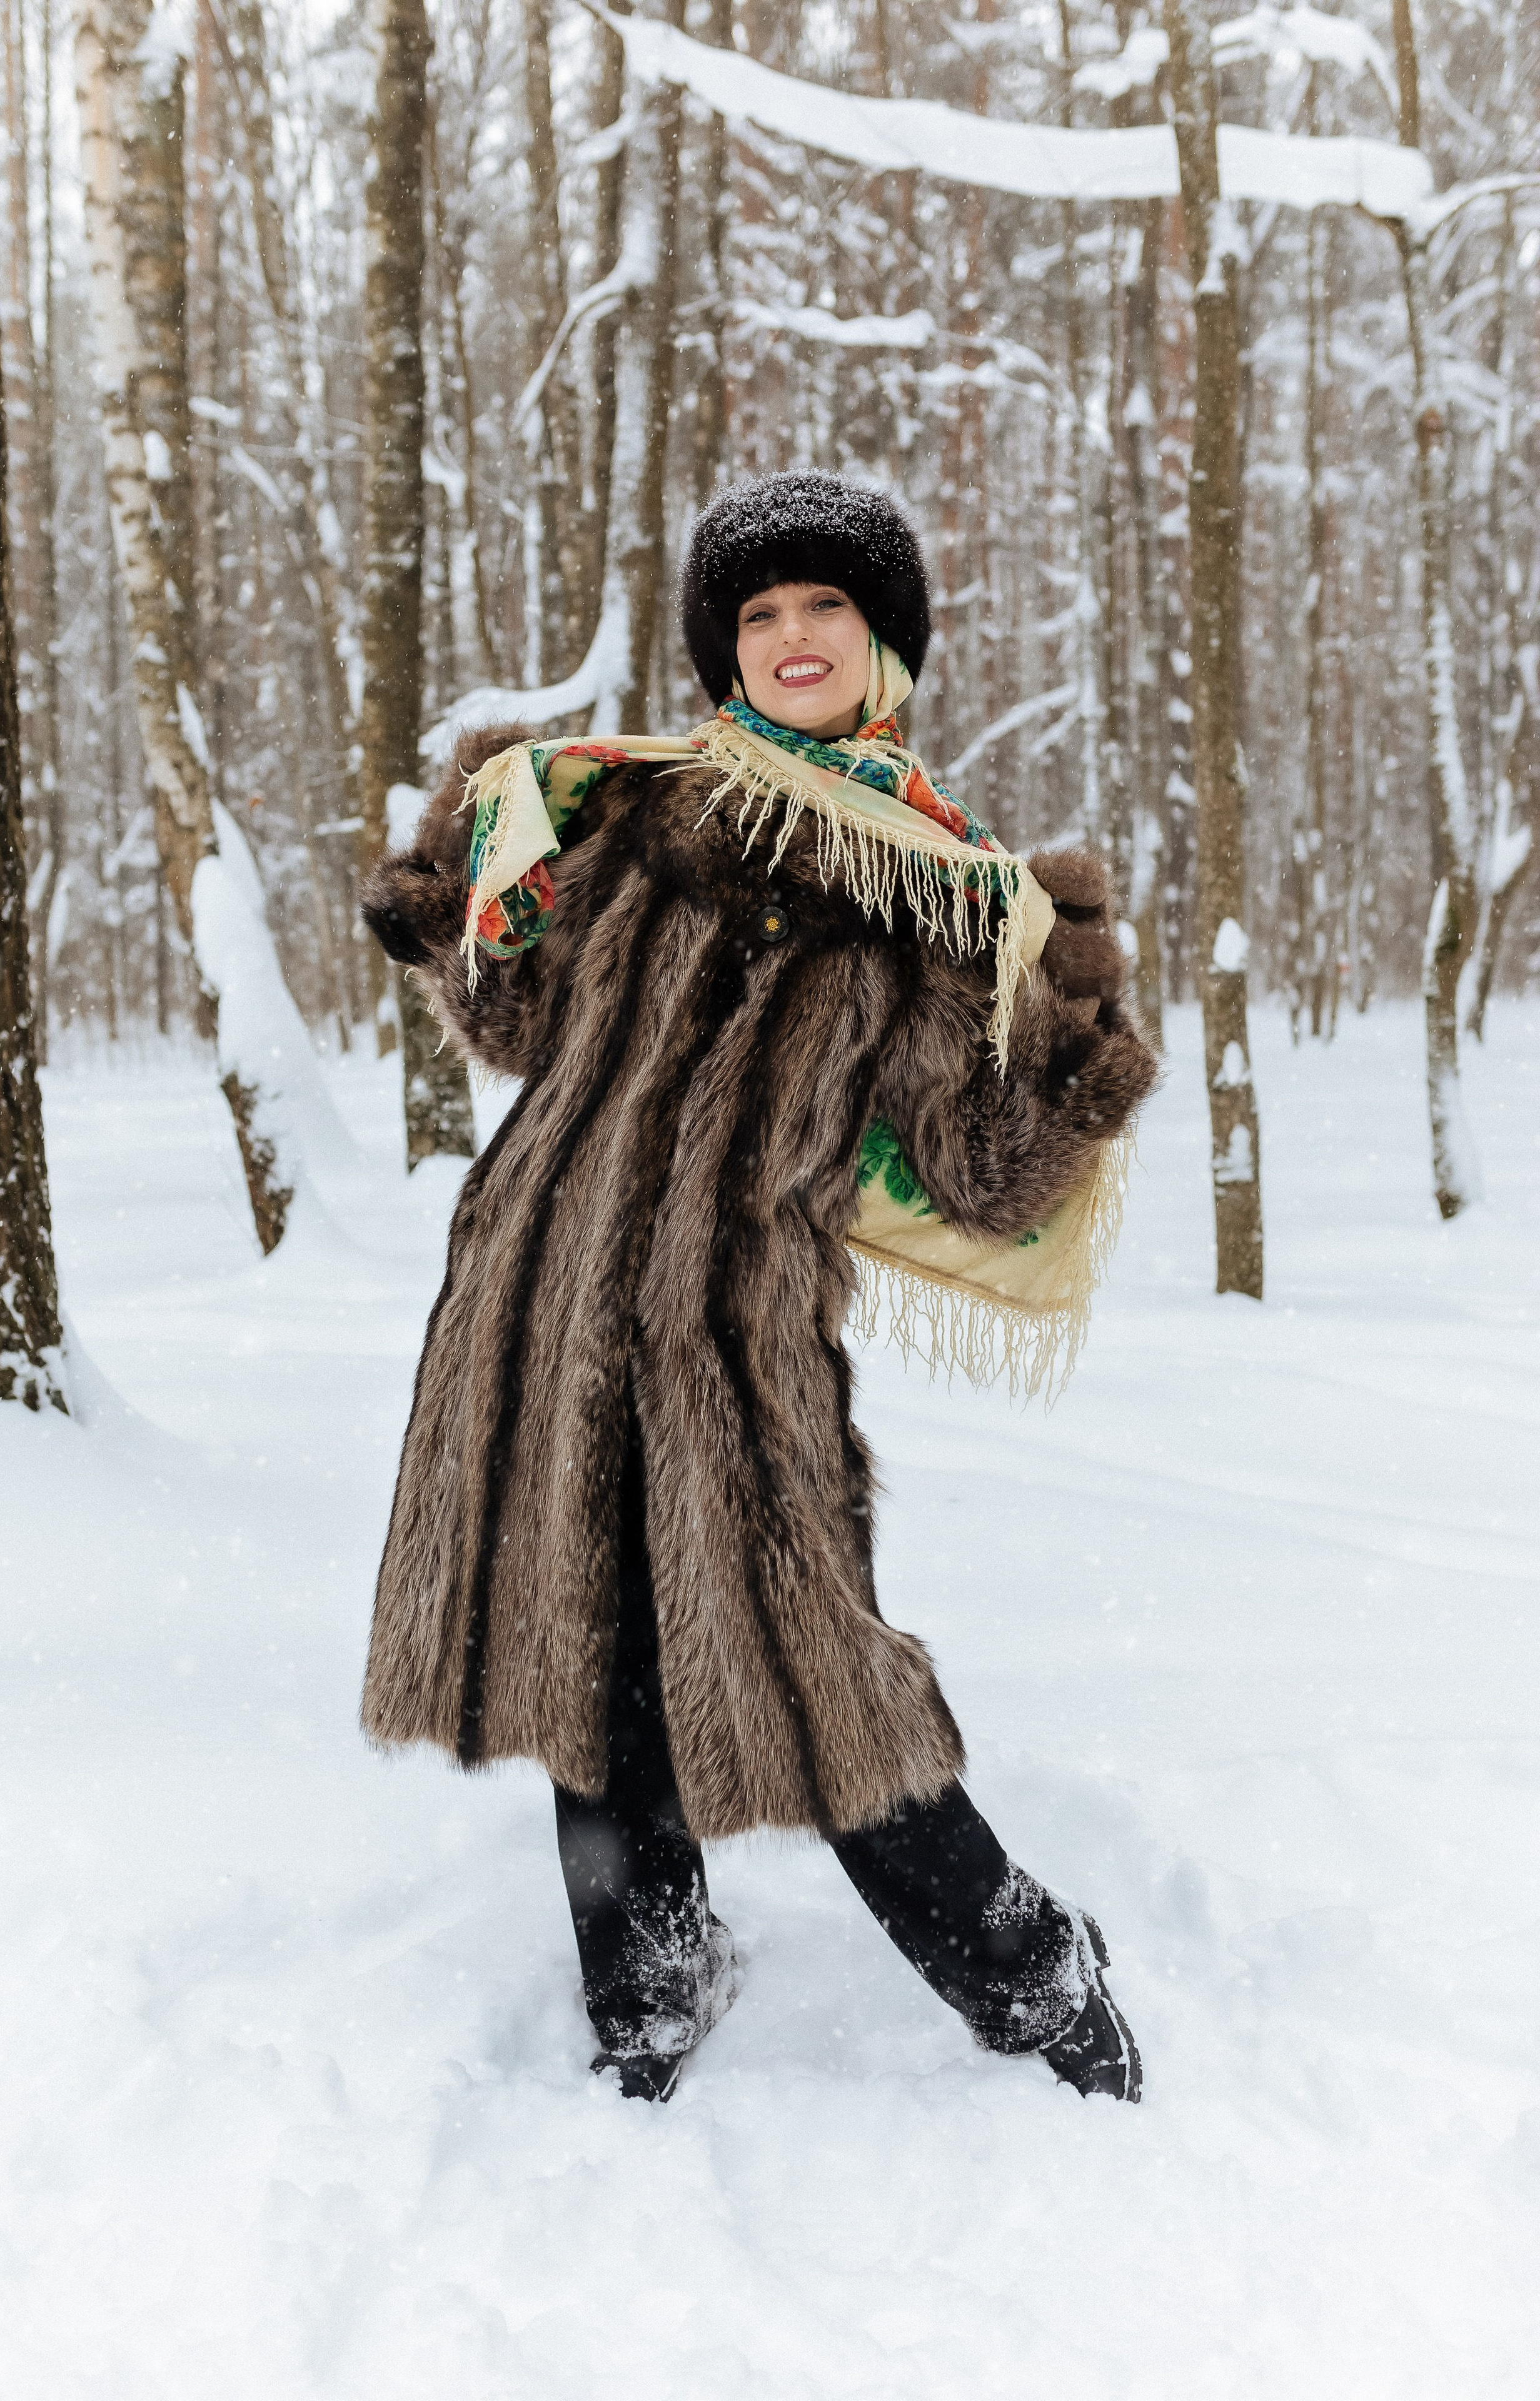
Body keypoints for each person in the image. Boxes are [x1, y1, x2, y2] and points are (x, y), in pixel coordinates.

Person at [360, 471, 1159, 2104]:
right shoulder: (632, 817)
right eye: (761, 613)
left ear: (885, 646)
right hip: (528, 1297)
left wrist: (1071, 1015)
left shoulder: (935, 892)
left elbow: (984, 1175)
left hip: (734, 1341)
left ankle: (1030, 1973)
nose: (793, 636)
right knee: (583, 1653)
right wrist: (460, 897)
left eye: (827, 609)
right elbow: (521, 1030)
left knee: (820, 1680)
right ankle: (649, 1977)